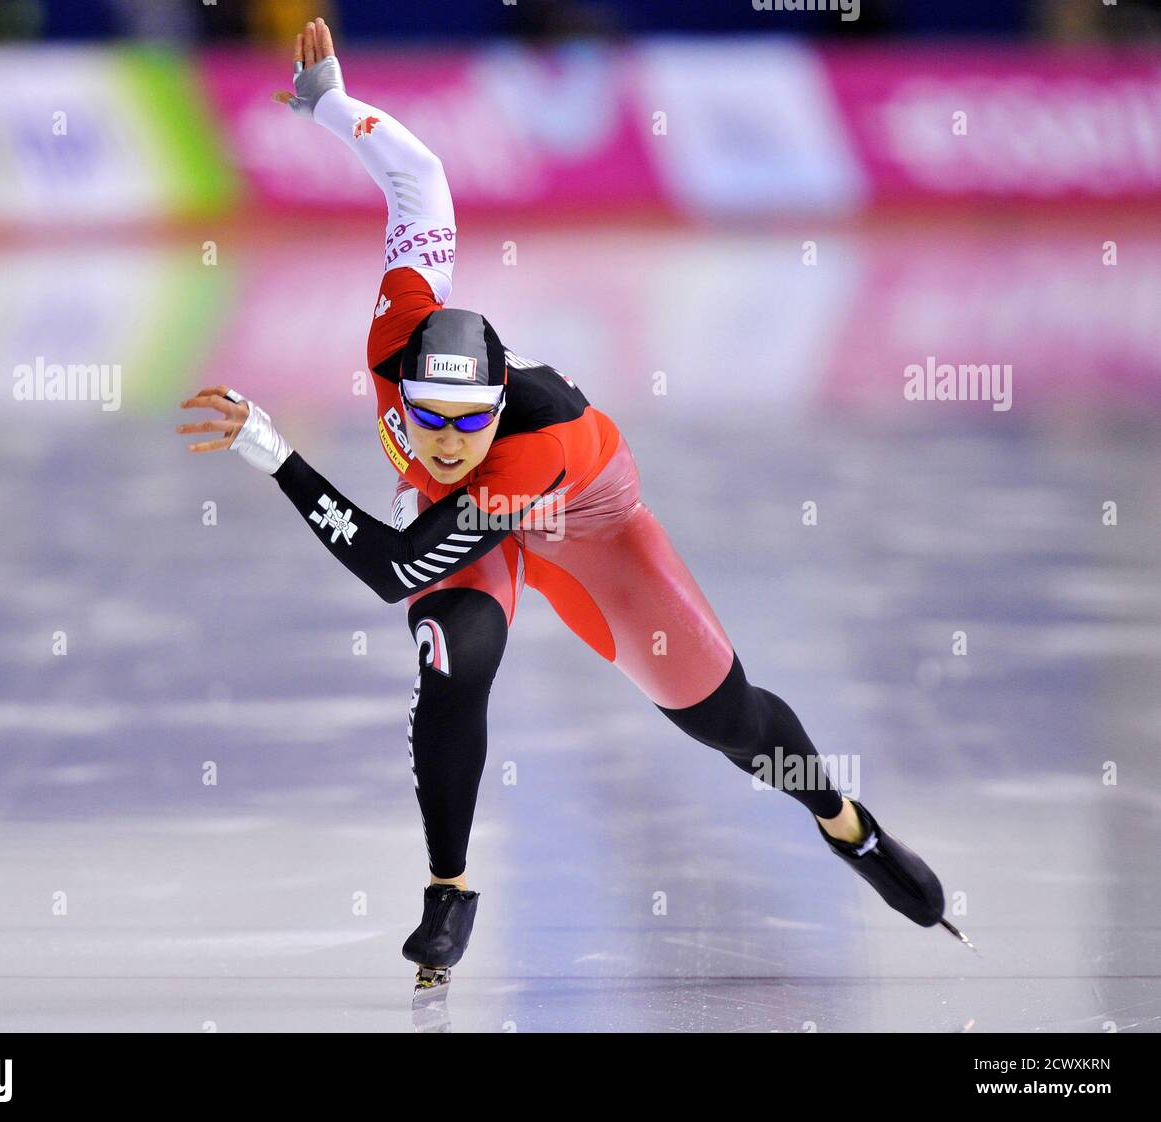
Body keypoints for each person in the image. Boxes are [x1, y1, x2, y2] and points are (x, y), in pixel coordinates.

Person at [177, 16, 969, 995]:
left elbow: (387, 567)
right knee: (453, 661)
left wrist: (273, 452)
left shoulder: (519, 451)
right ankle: (449, 891)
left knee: (731, 726)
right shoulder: (399, 315)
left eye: (468, 426)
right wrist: (330, 105)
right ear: (403, 380)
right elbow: (419, 177)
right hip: (473, 522)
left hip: (585, 524)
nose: (444, 442)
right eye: (426, 419)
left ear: (500, 405)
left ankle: (845, 822)